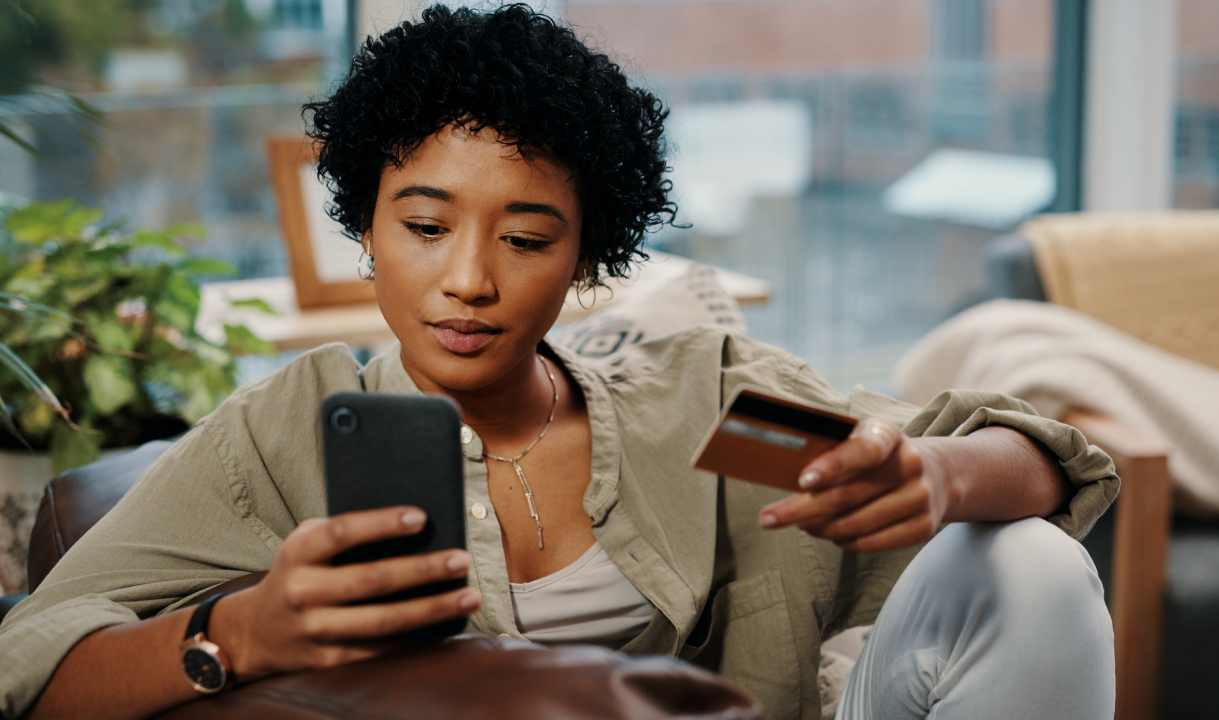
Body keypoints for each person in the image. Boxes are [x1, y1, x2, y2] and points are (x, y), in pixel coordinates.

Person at [0, 6, 1118, 720]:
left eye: (526, 239)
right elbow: (30, 657)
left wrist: (934, 478)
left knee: (1021, 563)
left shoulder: (703, 410)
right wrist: (235, 635)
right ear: (367, 227)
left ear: (585, 254)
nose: (468, 281)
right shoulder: (292, 430)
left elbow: (1042, 458)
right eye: (424, 226)